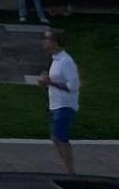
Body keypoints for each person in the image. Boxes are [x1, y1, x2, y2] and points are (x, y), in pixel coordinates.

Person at [38, 28, 80, 174]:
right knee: (57, 138)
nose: (43, 41)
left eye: (47, 39)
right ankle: (69, 170)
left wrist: (50, 82)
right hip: (57, 105)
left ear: (55, 42)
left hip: (65, 105)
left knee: (60, 138)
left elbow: (73, 86)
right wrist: (46, 81)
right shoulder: (56, 60)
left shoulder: (66, 61)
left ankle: (71, 171)